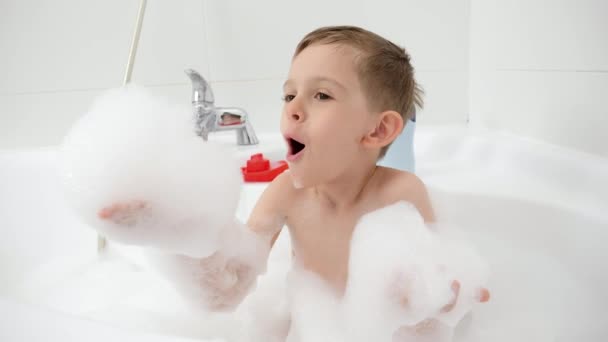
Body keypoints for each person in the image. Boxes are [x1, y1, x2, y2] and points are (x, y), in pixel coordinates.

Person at [98, 25, 489, 339]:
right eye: (289, 95)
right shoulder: (288, 192)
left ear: (378, 130)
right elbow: (229, 283)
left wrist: (436, 299)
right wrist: (168, 230)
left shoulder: (400, 193)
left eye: (321, 95)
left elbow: (424, 291)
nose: (294, 110)